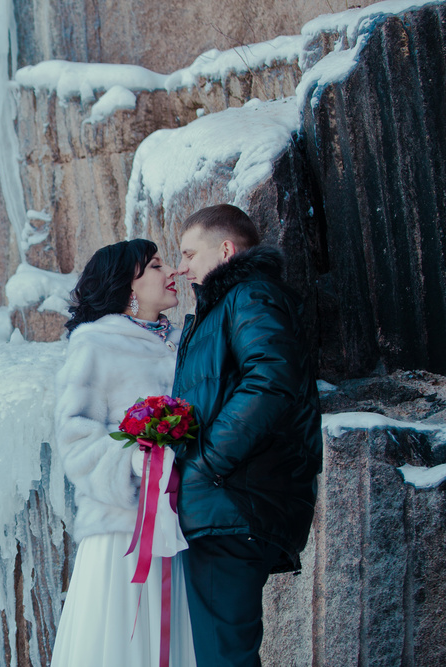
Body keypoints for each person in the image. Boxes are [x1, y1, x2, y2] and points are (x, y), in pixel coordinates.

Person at [171, 204, 323, 667]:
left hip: (232, 499)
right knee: (224, 653)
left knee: (223, 657)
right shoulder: (223, 307)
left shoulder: (250, 295)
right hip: (229, 501)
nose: (182, 266)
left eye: (189, 254)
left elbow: (270, 381)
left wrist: (207, 462)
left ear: (226, 249)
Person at [52, 239, 196, 667]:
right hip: (124, 532)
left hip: (181, 526)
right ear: (128, 287)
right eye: (155, 266)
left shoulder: (183, 341)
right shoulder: (96, 344)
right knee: (125, 642)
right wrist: (136, 462)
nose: (170, 271)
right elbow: (75, 441)